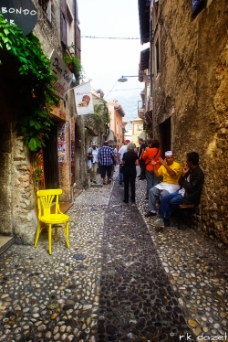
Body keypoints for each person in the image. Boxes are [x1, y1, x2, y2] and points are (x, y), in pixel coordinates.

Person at [154, 151, 204, 227]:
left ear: (191, 162)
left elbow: (191, 188)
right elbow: (180, 182)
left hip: (188, 196)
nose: (186, 162)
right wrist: (183, 174)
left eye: (187, 160)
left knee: (170, 201)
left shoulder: (199, 174)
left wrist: (183, 180)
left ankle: (165, 221)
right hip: (181, 192)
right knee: (164, 198)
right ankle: (162, 219)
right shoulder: (189, 170)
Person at [145, 151, 182, 217]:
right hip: (164, 184)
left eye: (171, 158)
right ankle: (152, 210)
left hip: (174, 185)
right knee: (152, 190)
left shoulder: (177, 165)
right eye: (168, 158)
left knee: (163, 194)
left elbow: (172, 174)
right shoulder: (163, 166)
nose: (170, 159)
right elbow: (157, 175)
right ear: (166, 159)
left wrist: (164, 164)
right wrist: (154, 166)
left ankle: (164, 213)